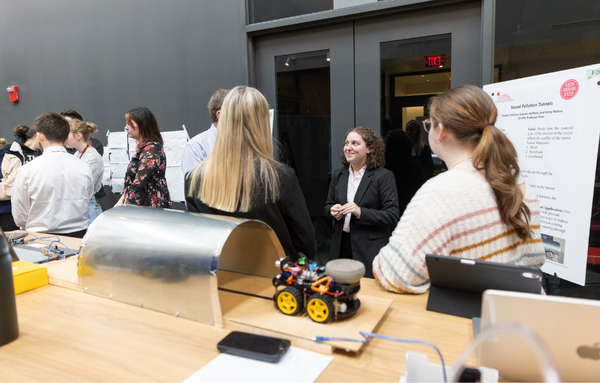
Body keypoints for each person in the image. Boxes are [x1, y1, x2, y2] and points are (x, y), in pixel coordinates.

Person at [373, 85, 546, 294]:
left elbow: (398, 274)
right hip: (514, 316)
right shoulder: (517, 182)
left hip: (469, 320)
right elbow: (535, 259)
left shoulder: (441, 192)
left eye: (429, 124)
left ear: (442, 131)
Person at [185, 86, 317, 261]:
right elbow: (307, 245)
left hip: (222, 279)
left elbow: (199, 241)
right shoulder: (280, 177)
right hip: (273, 280)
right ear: (261, 124)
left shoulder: (194, 179)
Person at [324, 127, 400, 278]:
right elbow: (328, 205)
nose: (348, 147)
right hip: (341, 246)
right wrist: (333, 211)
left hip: (369, 249)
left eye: (355, 143)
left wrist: (360, 212)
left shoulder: (383, 176)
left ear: (369, 148)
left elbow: (392, 215)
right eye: (346, 143)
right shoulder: (339, 174)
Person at [12, 113, 93, 238]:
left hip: (39, 238)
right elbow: (87, 200)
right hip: (79, 236)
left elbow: (20, 215)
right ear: (66, 137)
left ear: (40, 136)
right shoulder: (84, 167)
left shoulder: (27, 170)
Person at [115, 107, 172, 208]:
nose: (126, 127)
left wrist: (124, 205)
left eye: (129, 124)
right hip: (143, 204)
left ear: (141, 125)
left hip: (148, 205)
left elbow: (139, 182)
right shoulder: (147, 148)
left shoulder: (151, 148)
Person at [181, 89, 229, 176]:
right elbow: (195, 186)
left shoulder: (247, 142)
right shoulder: (196, 147)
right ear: (221, 116)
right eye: (236, 113)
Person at [65, 120, 104, 224]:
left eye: (67, 136)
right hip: (79, 206)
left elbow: (86, 188)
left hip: (88, 207)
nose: (64, 139)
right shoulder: (77, 154)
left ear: (78, 135)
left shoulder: (93, 157)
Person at [384, 129, 426, 218]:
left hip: (389, 208)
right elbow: (421, 187)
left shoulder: (384, 166)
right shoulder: (415, 165)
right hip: (410, 207)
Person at [0, 138, 22, 231]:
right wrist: (3, 183)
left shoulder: (12, 160)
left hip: (7, 215)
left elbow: (10, 190)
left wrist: (6, 185)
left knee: (11, 244)